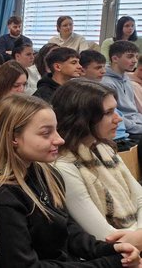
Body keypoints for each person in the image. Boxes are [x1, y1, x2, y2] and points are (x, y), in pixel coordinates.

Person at [0, 94, 141, 267]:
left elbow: (68, 232)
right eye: (46, 133)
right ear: (13, 138)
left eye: (56, 130)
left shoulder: (45, 174)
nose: (59, 140)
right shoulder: (0, 195)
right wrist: (111, 263)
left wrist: (115, 250)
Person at [52, 79, 142, 249]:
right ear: (83, 119)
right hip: (108, 254)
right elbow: (105, 236)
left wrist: (139, 235)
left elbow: (140, 198)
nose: (118, 119)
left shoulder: (103, 148)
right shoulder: (63, 165)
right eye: (109, 113)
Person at [101, 41, 142, 141]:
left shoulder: (126, 78)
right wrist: (139, 128)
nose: (135, 61)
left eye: (136, 57)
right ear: (115, 58)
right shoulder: (107, 83)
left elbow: (134, 111)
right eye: (130, 56)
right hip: (125, 129)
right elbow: (115, 116)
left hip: (136, 124)